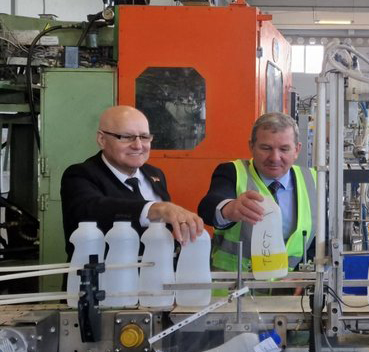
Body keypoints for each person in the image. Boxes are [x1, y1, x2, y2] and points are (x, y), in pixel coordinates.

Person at [61, 106, 204, 258]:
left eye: (144, 137)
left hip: (158, 270)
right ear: (102, 140)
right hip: (106, 272)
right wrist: (154, 209)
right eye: (127, 137)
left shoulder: (155, 175)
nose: (138, 145)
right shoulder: (80, 175)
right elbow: (93, 210)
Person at [199, 112, 317, 272]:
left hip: (290, 285)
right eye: (266, 148)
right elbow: (208, 207)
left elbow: (320, 238)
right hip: (236, 283)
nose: (275, 158)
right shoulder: (232, 172)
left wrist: (303, 274)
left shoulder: (313, 180)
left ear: (297, 150)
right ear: (251, 146)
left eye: (284, 149)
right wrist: (229, 209)